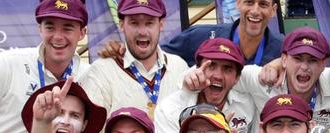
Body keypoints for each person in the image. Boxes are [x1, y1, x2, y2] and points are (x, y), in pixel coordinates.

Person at [80, 0, 185, 133]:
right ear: (121, 24)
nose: (142, 31)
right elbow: (90, 128)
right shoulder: (102, 70)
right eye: (134, 23)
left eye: (149, 23)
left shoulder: (178, 67)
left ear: (161, 24)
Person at [0, 0, 88, 133]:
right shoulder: (7, 63)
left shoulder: (89, 74)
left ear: (82, 32)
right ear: (40, 29)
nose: (58, 37)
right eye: (50, 27)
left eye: (67, 28)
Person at [226, 26, 330, 133]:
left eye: (312, 60)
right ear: (284, 59)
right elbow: (220, 77)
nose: (304, 67)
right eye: (298, 58)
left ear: (324, 63)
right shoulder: (264, 80)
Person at [155, 38, 253, 133]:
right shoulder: (171, 108)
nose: (218, 76)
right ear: (197, 70)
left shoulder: (246, 105)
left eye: (227, 69)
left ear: (237, 78)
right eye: (211, 66)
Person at [100, 0, 284, 67]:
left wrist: (280, 63)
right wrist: (123, 50)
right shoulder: (199, 37)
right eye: (249, 2)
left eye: (263, 4)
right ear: (238, 4)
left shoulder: (282, 48)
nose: (255, 10)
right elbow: (154, 57)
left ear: (274, 9)